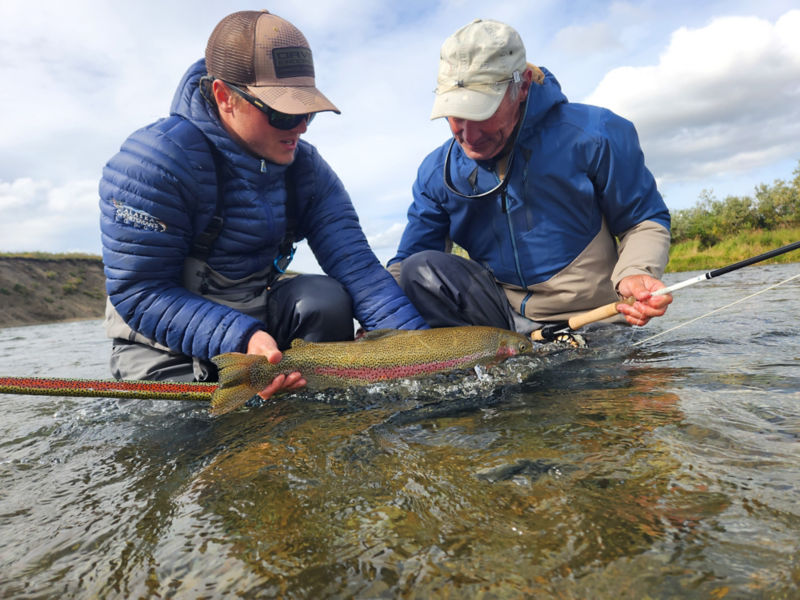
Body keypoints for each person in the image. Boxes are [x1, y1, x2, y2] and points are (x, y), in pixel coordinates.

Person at [99, 10, 427, 398]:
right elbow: (141, 292)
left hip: (262, 336)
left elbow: (360, 271)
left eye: (307, 111)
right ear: (224, 97)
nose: (301, 127)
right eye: (283, 112)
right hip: (161, 343)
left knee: (326, 300)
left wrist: (423, 356)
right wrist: (243, 338)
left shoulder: (307, 170)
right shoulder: (154, 163)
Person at [388, 18, 673, 336]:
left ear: (522, 86)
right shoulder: (435, 172)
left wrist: (635, 272)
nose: (468, 134)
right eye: (455, 114)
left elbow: (644, 220)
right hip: (500, 322)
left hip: (597, 317)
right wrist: (379, 323)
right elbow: (406, 264)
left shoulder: (596, 134)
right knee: (420, 269)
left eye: (482, 111)